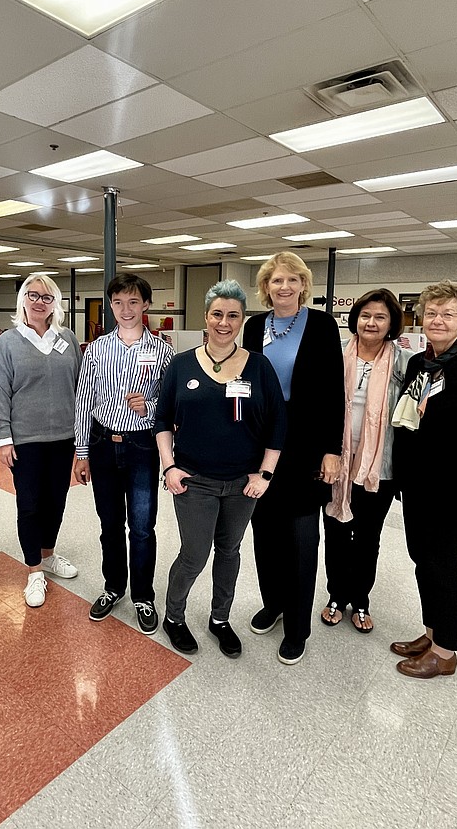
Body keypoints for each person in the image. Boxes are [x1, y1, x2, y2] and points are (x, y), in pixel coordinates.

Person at [155, 280, 286, 657]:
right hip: (194, 481)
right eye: (217, 314)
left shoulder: (258, 367)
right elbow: (162, 420)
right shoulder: (180, 365)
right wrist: (170, 468)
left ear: (242, 320)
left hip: (242, 484)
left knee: (229, 551)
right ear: (206, 317)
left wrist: (265, 474)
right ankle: (174, 617)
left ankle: (219, 619)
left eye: (233, 315)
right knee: (194, 554)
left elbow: (278, 423)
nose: (224, 322)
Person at [242, 252, 344, 665]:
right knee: (264, 532)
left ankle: (298, 625)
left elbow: (334, 392)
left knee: (301, 537)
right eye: (275, 281)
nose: (283, 287)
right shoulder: (253, 326)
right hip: (259, 443)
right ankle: (275, 604)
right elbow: (242, 383)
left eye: (291, 280)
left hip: (305, 446)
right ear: (265, 287)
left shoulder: (321, 325)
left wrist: (332, 450)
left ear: (303, 285)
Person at [391, 280, 457, 679]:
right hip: (418, 485)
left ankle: (445, 653)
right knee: (422, 561)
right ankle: (432, 632)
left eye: (448, 314)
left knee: (446, 566)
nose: (438, 320)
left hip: (456, 489)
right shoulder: (420, 363)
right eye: (431, 313)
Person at [74, 273, 173, 634]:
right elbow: (84, 400)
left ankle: (143, 596)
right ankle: (113, 586)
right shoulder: (97, 349)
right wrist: (81, 452)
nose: (125, 309)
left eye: (133, 302)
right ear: (111, 305)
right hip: (102, 443)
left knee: (143, 527)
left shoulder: (163, 351)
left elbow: (172, 404)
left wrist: (150, 404)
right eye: (118, 302)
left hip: (142, 446)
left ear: (145, 305)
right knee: (110, 524)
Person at [321, 289, 412, 633]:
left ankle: (360, 599)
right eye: (365, 315)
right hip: (336, 461)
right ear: (355, 319)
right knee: (335, 531)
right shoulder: (336, 356)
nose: (371, 323)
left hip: (379, 466)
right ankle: (335, 595)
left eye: (380, 317)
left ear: (391, 324)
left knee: (368, 536)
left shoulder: (404, 362)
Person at [0, 273, 81, 607]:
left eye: (47, 297)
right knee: (29, 505)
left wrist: (83, 438)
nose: (40, 302)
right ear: (22, 300)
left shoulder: (68, 339)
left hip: (63, 438)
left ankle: (49, 555)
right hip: (25, 440)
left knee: (55, 501)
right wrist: (3, 438)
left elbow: (81, 388)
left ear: (55, 303)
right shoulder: (8, 342)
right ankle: (34, 572)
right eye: (33, 295)